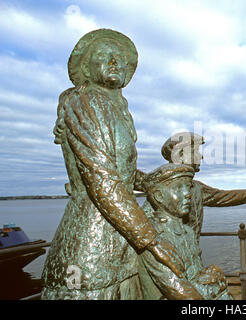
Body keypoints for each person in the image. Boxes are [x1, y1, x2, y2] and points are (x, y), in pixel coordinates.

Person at [41, 29, 184, 299]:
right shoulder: (86, 101)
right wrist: (151, 239)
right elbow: (103, 181)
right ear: (86, 66)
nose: (116, 62)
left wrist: (168, 179)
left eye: (120, 58)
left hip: (120, 242)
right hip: (89, 247)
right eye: (104, 56)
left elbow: (123, 175)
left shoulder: (114, 106)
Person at [159, 132, 246, 242]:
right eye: (195, 151)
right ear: (180, 155)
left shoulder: (197, 188)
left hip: (190, 253)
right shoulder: (159, 185)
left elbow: (224, 197)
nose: (201, 156)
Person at [138, 163, 233, 300]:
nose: (187, 194)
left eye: (188, 187)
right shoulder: (153, 236)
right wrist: (217, 285)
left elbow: (196, 274)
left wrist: (211, 275)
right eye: (178, 188)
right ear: (159, 196)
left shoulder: (187, 231)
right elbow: (177, 290)